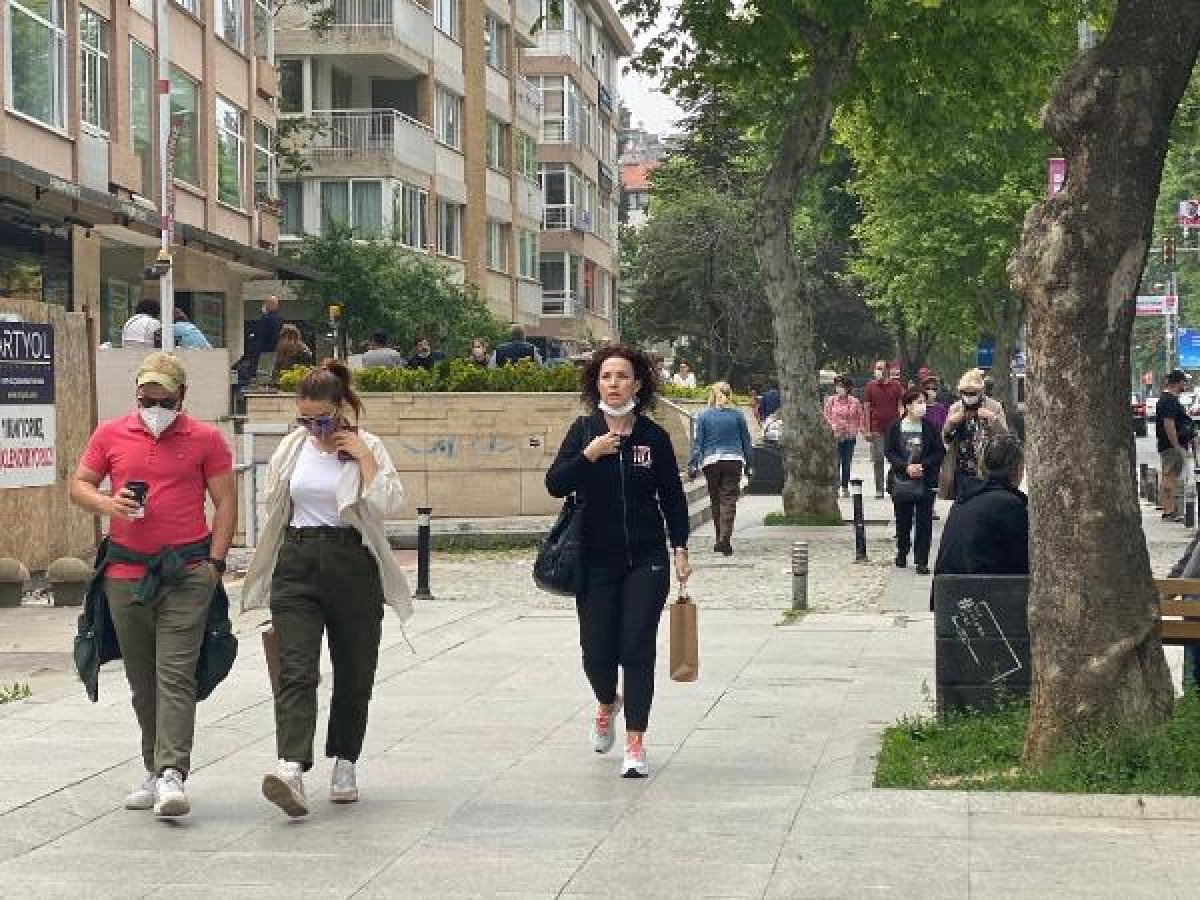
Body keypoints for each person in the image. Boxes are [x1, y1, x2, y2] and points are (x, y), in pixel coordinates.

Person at [68, 352, 236, 818]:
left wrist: (215, 564)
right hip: (125, 574)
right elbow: (78, 484)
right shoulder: (111, 433)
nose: (154, 405)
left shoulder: (206, 439)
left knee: (175, 674)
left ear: (182, 395)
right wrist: (108, 502)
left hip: (186, 571)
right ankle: (153, 766)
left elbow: (224, 502)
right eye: (147, 396)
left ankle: (171, 773)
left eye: (163, 397)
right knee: (142, 680)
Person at [241, 360, 411, 817]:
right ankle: (291, 765)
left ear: (342, 408)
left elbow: (392, 503)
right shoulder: (293, 447)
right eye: (306, 419)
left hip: (351, 560)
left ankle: (345, 760)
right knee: (295, 667)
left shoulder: (368, 445)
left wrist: (365, 458)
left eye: (323, 419)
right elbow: (273, 500)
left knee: (355, 670)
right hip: (297, 561)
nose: (315, 428)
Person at [545, 344, 691, 778]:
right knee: (597, 653)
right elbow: (555, 484)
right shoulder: (583, 430)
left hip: (646, 558)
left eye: (622, 376)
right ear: (597, 384)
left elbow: (674, 499)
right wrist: (588, 455)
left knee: (637, 648)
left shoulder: (654, 438)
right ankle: (606, 703)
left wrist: (680, 548)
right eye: (606, 377)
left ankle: (635, 742)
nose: (614, 384)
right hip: (594, 560)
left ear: (638, 383)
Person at [935, 433, 1029, 576]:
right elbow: (1022, 561)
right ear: (1018, 469)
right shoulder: (1009, 504)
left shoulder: (966, 496)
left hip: (948, 592)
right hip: (981, 591)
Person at [688, 381, 754, 555]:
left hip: (711, 461)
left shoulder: (703, 416)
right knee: (729, 499)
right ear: (729, 395)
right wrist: (750, 464)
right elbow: (746, 441)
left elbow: (698, 444)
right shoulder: (738, 416)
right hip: (733, 460)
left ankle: (720, 537)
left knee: (716, 500)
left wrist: (693, 464)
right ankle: (725, 537)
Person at [884, 389, 944, 575]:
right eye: (918, 402)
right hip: (902, 480)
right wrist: (905, 467)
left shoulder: (930, 427)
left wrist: (922, 466)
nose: (922, 406)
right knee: (903, 520)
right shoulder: (895, 427)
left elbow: (938, 451)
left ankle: (922, 559)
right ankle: (902, 550)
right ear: (908, 405)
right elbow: (890, 452)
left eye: (923, 402)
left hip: (925, 480)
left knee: (924, 521)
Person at [941, 369, 1009, 501]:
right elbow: (945, 438)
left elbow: (1005, 436)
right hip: (962, 466)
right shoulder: (955, 408)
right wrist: (951, 423)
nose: (968, 396)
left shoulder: (994, 407)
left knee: (986, 502)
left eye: (972, 393)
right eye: (964, 393)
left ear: (981, 391)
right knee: (963, 503)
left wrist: (993, 419)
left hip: (988, 466)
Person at [863, 360, 905, 499]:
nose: (878, 371)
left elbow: (901, 405)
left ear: (887, 370)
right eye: (876, 368)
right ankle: (879, 489)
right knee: (878, 458)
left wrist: (903, 422)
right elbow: (867, 408)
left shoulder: (896, 385)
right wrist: (867, 429)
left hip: (894, 428)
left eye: (880, 368)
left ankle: (895, 484)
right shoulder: (870, 386)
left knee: (896, 458)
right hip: (877, 428)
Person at [1157, 369, 1194, 522]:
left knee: (1170, 476)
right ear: (1178, 382)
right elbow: (1169, 424)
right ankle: (1170, 511)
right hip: (1172, 446)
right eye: (1184, 381)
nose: (1185, 384)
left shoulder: (1169, 399)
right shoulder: (1169, 401)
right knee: (1170, 477)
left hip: (1171, 445)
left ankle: (1170, 510)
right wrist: (1177, 446)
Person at [823, 374, 864, 498]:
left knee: (847, 462)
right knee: (836, 462)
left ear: (847, 388)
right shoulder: (831, 400)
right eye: (837, 386)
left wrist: (857, 429)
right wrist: (832, 427)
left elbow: (860, 417)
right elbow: (826, 416)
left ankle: (845, 486)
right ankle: (835, 486)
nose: (839, 388)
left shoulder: (854, 401)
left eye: (841, 386)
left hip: (849, 436)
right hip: (835, 436)